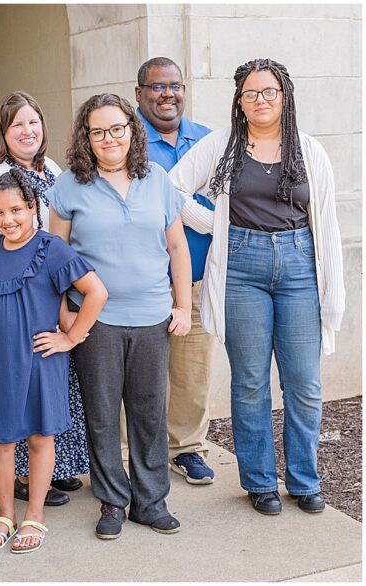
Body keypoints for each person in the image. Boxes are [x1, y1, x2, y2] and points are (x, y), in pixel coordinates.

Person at [170, 59, 344, 516]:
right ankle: (261, 483)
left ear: (284, 96)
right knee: (249, 383)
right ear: (239, 102)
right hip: (242, 269)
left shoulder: (308, 150)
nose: (259, 100)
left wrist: (334, 293)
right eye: (250, 94)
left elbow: (325, 221)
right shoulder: (222, 146)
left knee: (304, 383)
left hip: (300, 266)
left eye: (268, 92)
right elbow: (172, 190)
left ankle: (305, 481)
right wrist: (214, 225)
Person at [48, 93, 192, 539]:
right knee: (103, 414)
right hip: (97, 322)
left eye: (117, 128)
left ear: (132, 131)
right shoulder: (69, 186)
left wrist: (182, 305)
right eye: (98, 131)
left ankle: (151, 502)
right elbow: (56, 259)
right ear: (85, 138)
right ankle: (112, 502)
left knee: (149, 413)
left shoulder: (159, 180)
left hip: (152, 318)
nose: (108, 138)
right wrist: (64, 320)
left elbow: (177, 247)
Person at [0, 169, 107, 553]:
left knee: (40, 438)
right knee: (0, 440)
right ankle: (5, 513)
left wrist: (70, 337)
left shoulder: (51, 249)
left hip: (41, 361)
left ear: (32, 208)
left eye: (15, 210)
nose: (8, 220)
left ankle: (36, 515)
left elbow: (95, 291)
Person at [0, 91, 89, 506]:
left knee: (45, 396)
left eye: (33, 122)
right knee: (13, 397)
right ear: (3, 132)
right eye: (17, 124)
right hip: (13, 297)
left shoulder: (51, 170)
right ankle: (20, 477)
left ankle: (49, 471)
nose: (27, 131)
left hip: (48, 294)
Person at [134, 57, 217, 485]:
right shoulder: (124, 141)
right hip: (140, 281)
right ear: (139, 94)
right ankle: (133, 453)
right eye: (157, 87)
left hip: (198, 276)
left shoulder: (207, 140)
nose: (168, 94)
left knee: (192, 370)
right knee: (135, 375)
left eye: (175, 86)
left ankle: (187, 448)